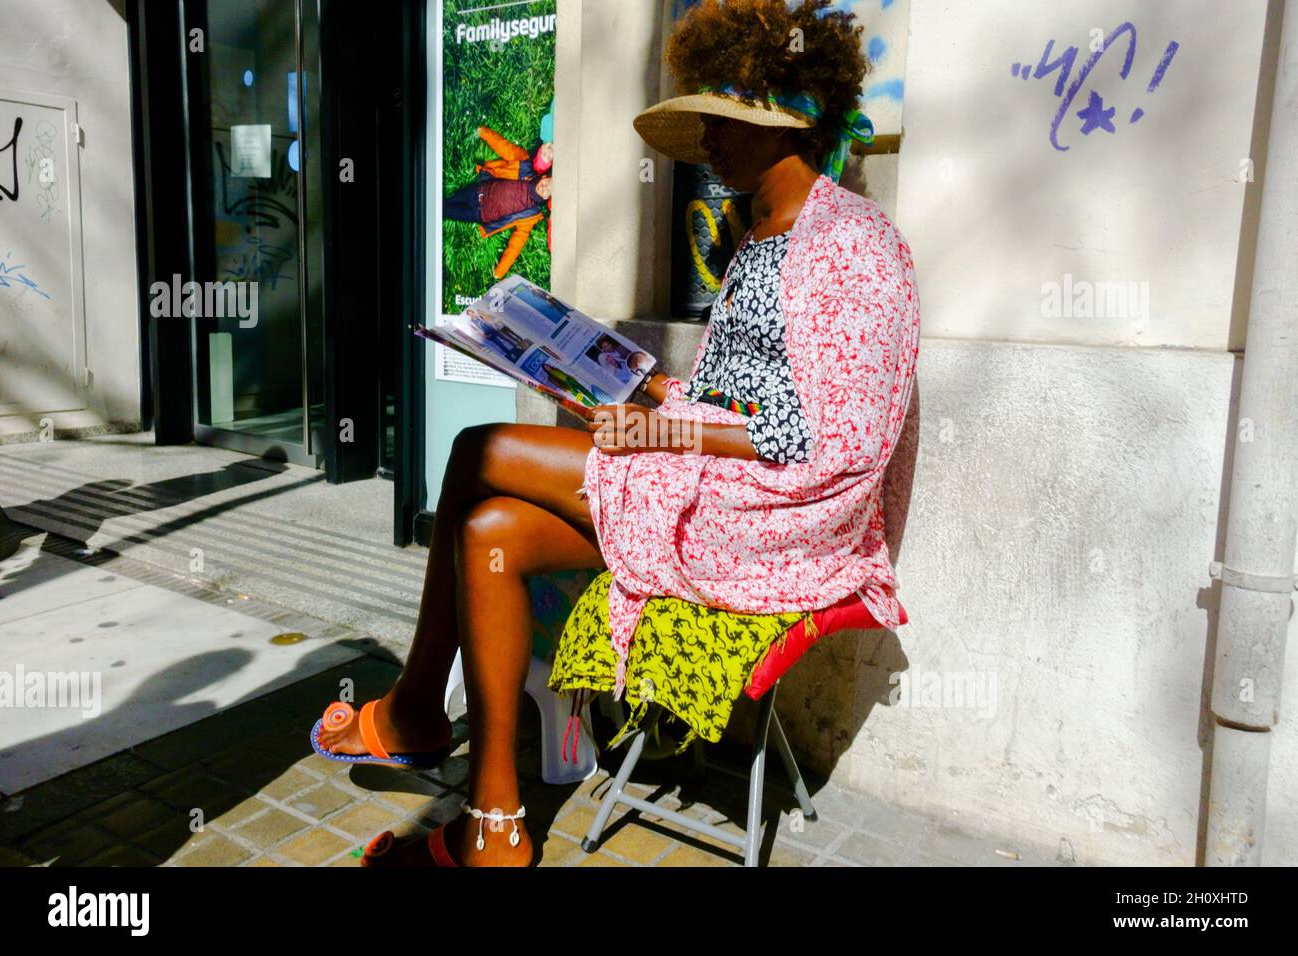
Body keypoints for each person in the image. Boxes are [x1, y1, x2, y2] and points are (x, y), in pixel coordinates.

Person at [313, 0, 919, 867]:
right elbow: (742, 398)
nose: (705, 143)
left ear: (786, 125)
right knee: (488, 536)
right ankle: (495, 827)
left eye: (721, 122)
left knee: (474, 452)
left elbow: (825, 443)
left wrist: (656, 433)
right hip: (720, 486)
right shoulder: (760, 239)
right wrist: (650, 390)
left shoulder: (851, 243)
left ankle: (413, 711)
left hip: (774, 518)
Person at [442, 127, 552, 280]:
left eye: (548, 191)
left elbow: (516, 244)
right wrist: (485, 133)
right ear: (545, 177)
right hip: (478, 191)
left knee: (446, 212)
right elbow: (504, 147)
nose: (544, 188)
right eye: (548, 183)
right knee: (445, 202)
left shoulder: (532, 214)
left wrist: (500, 271)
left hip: (479, 215)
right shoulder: (524, 164)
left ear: (547, 198)